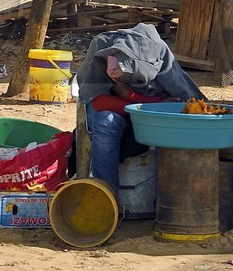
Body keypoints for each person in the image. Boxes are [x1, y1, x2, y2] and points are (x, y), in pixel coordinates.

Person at [77, 23, 205, 191]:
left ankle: (167, 197)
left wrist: (135, 99)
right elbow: (98, 102)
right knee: (105, 123)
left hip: (152, 118)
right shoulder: (101, 46)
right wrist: (142, 103)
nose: (112, 70)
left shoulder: (158, 55)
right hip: (117, 114)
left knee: (170, 128)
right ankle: (107, 195)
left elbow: (187, 101)